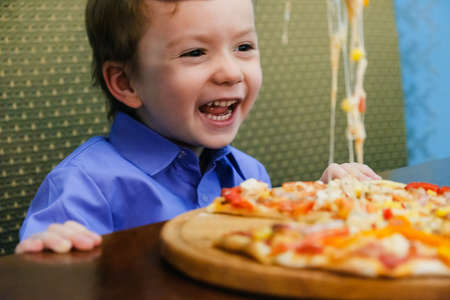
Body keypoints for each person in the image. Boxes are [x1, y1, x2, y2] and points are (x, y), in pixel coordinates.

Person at [15, 0, 380, 254]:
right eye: (195, 52)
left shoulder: (249, 174)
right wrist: (50, 253)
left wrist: (323, 204)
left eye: (244, 46)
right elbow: (43, 271)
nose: (231, 72)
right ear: (126, 83)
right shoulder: (83, 186)